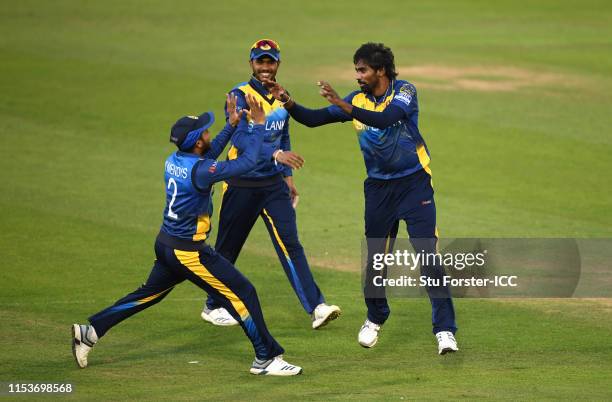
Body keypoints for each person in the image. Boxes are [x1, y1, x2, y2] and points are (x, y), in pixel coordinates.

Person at [71, 93, 302, 376]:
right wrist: (257, 125)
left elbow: (209, 155)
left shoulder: (176, 160)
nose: (209, 133)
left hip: (166, 243)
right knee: (242, 293)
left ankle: (90, 331)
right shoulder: (201, 170)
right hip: (188, 252)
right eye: (205, 131)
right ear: (197, 142)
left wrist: (231, 125)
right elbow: (247, 163)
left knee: (147, 295)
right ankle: (266, 358)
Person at [263, 42, 459, 354]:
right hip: (379, 189)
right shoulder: (356, 99)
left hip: (414, 185)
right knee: (376, 262)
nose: (358, 75)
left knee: (428, 258)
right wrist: (287, 101)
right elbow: (313, 119)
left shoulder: (404, 91)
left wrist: (342, 104)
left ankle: (445, 330)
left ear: (380, 70)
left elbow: (386, 118)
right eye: (356, 69)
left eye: (362, 70)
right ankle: (376, 316)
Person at [200, 39, 341, 330]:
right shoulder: (240, 95)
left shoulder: (281, 95)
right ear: (251, 63)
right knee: (228, 249)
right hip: (241, 183)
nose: (265, 67)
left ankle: (317, 307)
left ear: (278, 63)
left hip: (273, 185)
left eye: (270, 61)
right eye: (260, 61)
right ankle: (213, 305)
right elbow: (239, 139)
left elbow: (284, 134)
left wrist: (288, 178)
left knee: (291, 244)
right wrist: (276, 154)